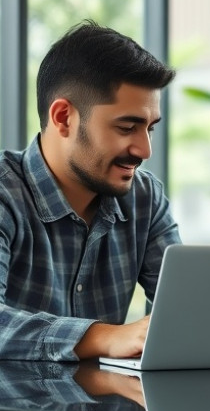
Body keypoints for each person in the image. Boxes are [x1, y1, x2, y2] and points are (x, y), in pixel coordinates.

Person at [0, 21, 180, 361]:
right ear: (64, 117)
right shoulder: (5, 194)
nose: (144, 150)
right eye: (127, 127)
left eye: (150, 129)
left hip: (111, 409)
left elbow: (184, 312)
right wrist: (103, 337)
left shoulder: (145, 198)